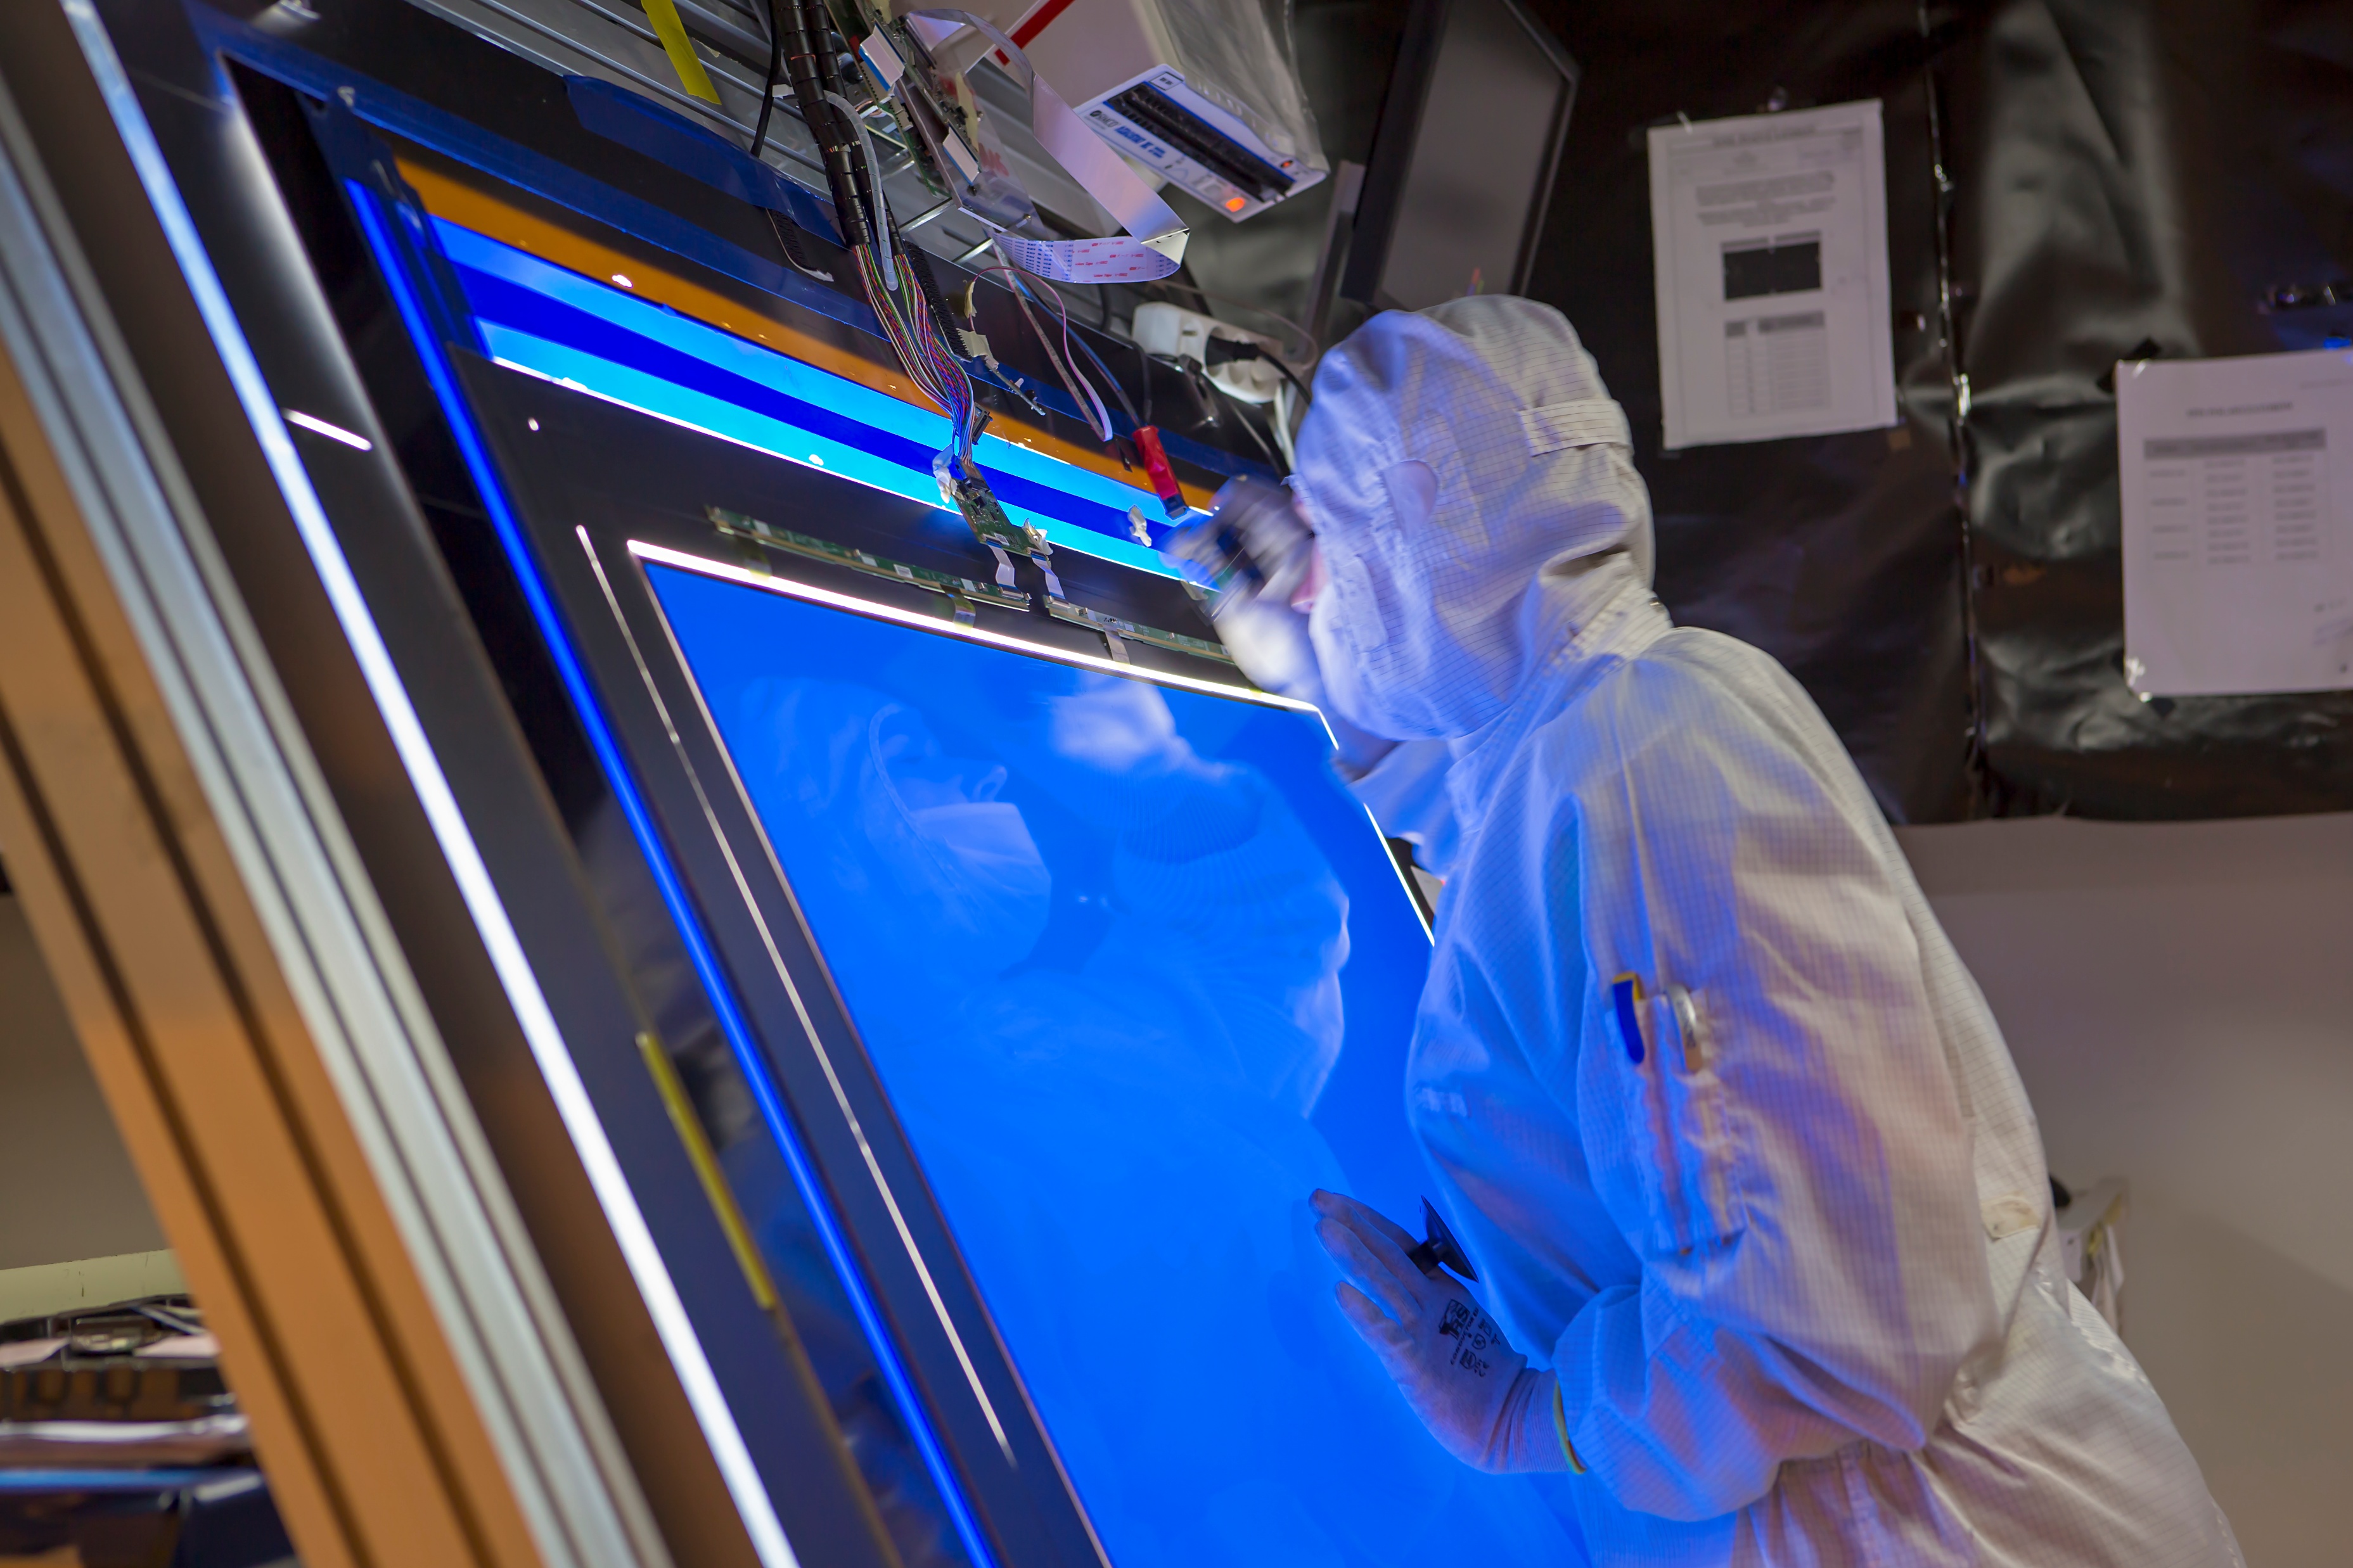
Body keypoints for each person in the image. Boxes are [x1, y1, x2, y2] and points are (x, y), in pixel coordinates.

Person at [1164, 296, 2241, 1565]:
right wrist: (1333, 671)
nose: (1319, 585)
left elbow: (1837, 1322)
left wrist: (1542, 1409)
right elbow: (1514, 871)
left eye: (1338, 540)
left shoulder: (1650, 759)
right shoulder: (1607, 735)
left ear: (1425, 543)